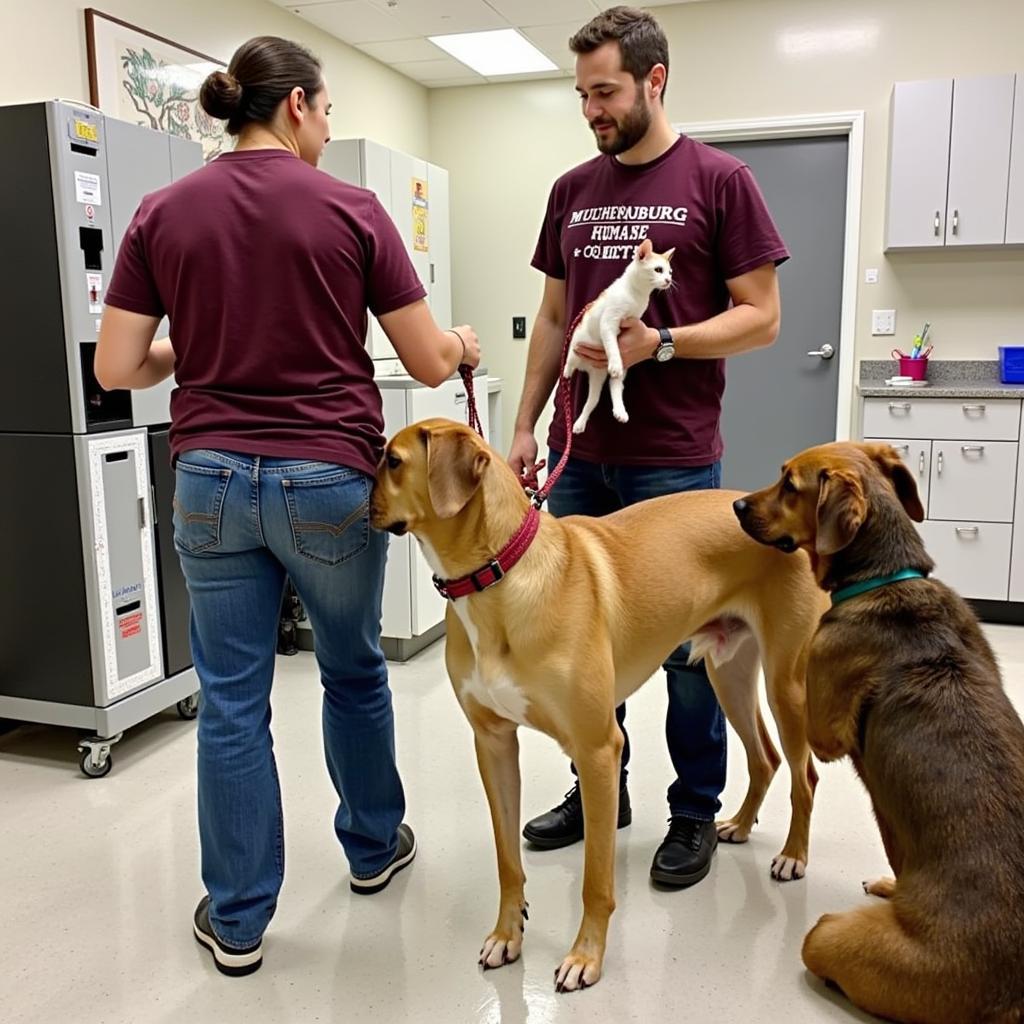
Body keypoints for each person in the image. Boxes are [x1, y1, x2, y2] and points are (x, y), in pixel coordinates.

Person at [95, 35, 481, 976]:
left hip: (211, 481)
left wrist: (196, 351)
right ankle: (370, 849)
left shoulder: (163, 210)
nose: (328, 126)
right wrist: (465, 341)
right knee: (352, 671)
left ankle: (236, 919)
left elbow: (115, 368)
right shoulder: (351, 207)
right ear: (300, 105)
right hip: (326, 482)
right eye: (329, 110)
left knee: (232, 701)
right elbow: (429, 360)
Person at [508, 6, 788, 888]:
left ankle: (695, 811)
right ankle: (603, 786)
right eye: (582, 92)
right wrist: (523, 422)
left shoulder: (719, 179)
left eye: (606, 91)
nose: (591, 108)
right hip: (579, 451)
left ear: (653, 81)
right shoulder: (571, 190)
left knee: (689, 647)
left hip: (672, 455)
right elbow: (556, 316)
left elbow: (763, 317)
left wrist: (660, 344)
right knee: (575, 639)